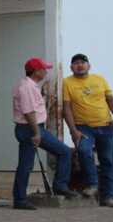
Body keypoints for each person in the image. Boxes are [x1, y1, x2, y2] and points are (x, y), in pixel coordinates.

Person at [11, 58, 77, 210]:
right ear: (37, 71)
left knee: (25, 164)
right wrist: (36, 133)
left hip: (30, 128)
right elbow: (29, 112)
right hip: (31, 128)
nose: (46, 72)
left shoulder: (28, 85)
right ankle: (59, 185)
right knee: (64, 152)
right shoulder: (27, 87)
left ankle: (20, 198)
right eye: (44, 69)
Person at [63, 53, 113, 207]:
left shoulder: (100, 79)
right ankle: (92, 184)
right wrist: (73, 129)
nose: (80, 65)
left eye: (83, 62)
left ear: (89, 66)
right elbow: (66, 108)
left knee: (107, 161)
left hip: (106, 125)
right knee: (83, 151)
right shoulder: (67, 83)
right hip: (83, 127)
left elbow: (110, 99)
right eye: (76, 63)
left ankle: (107, 198)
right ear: (71, 67)